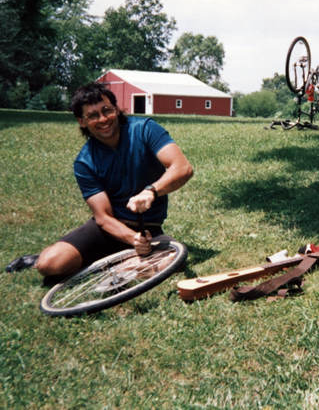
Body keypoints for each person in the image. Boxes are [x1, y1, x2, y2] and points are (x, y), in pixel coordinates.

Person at [6, 82, 193, 277]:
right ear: (82, 121)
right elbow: (103, 217)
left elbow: (183, 168)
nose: (103, 119)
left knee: (174, 261)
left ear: (117, 110)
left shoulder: (145, 129)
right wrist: (133, 239)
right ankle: (43, 259)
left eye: (107, 111)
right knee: (49, 265)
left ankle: (112, 266)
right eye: (93, 115)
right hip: (108, 229)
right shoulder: (84, 162)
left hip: (149, 230)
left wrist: (151, 191)